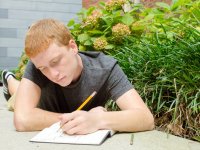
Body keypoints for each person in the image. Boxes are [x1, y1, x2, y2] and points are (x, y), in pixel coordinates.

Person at [1, 19, 154, 135]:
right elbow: (22, 119)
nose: (53, 74)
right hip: (39, 105)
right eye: (43, 69)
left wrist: (98, 120)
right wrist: (82, 119)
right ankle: (8, 78)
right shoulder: (38, 65)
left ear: (73, 47)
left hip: (49, 113)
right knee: (17, 94)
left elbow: (145, 118)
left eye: (56, 61)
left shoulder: (106, 69)